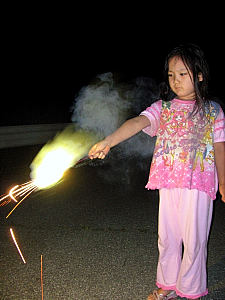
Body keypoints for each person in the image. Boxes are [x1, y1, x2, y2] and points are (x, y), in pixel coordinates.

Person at [88, 43, 225, 300]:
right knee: (168, 237)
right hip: (169, 181)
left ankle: (192, 289)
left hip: (199, 185)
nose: (176, 81)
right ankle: (167, 285)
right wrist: (108, 141)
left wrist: (224, 182)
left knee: (194, 241)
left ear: (199, 75)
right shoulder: (163, 108)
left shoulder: (213, 111)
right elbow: (138, 122)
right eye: (171, 75)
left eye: (183, 74)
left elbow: (219, 147)